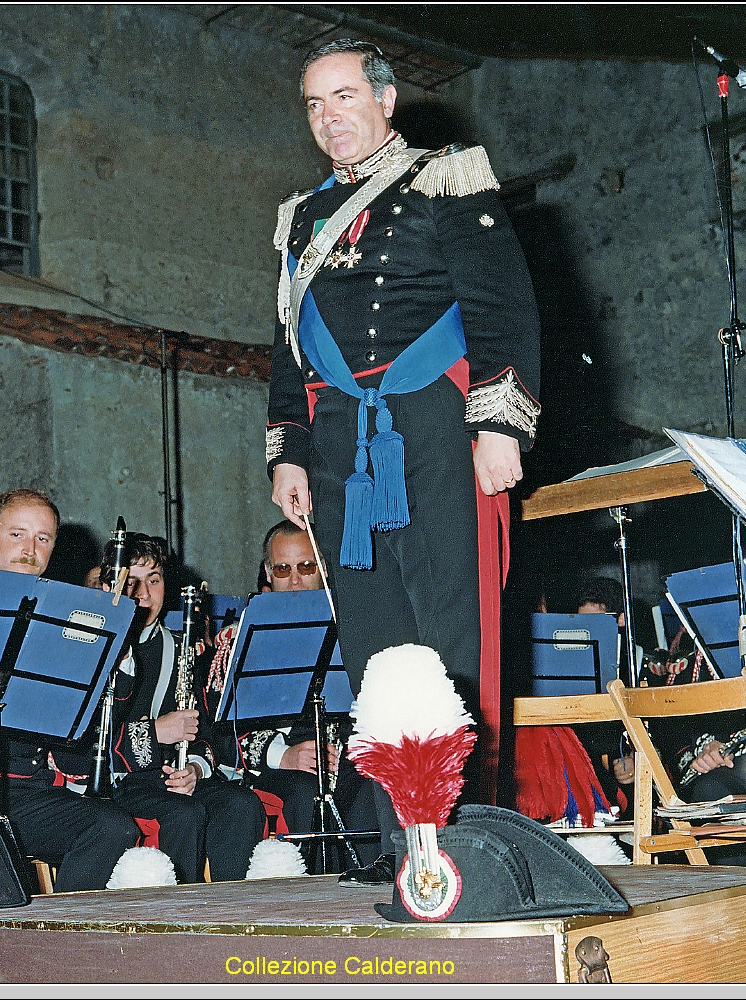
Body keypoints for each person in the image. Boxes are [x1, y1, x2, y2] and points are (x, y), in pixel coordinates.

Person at [265, 38, 541, 881]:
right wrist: (290, 451)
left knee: (450, 634)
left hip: (434, 424)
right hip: (343, 436)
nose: (329, 117)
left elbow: (502, 306)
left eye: (343, 97)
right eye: (314, 104)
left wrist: (500, 426)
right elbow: (287, 349)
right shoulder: (302, 217)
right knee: (375, 641)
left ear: (384, 99)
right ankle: (399, 842)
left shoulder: (444, 178)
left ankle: (463, 837)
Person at [0, 488, 138, 891]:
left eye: (43, 539)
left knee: (113, 827)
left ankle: (63, 938)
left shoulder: (63, 612)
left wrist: (117, 647)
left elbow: (102, 716)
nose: (29, 550)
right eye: (17, 534)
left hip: (26, 791)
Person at [101, 534, 267, 883]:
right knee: (184, 814)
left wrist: (194, 767)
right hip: (117, 782)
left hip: (169, 777)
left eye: (154, 580)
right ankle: (180, 924)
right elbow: (86, 744)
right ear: (111, 585)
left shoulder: (180, 649)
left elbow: (204, 732)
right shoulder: (94, 645)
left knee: (241, 804)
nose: (143, 593)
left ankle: (233, 914)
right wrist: (155, 732)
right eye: (130, 582)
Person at [216, 521, 381, 867]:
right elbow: (219, 733)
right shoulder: (237, 638)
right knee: (308, 794)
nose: (294, 581)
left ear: (322, 567)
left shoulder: (355, 631)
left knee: (374, 789)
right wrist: (284, 755)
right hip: (276, 768)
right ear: (267, 572)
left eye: (306, 567)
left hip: (342, 758)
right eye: (282, 569)